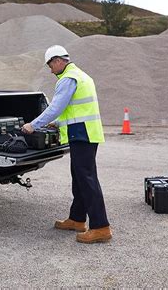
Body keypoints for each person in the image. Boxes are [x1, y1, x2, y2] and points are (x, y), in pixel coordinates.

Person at [21, 45, 112, 244]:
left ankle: (101, 227)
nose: (50, 70)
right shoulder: (81, 75)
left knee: (87, 179)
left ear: (57, 61)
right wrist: (58, 123)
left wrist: (33, 125)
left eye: (50, 65)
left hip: (82, 134)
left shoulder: (68, 79)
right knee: (79, 178)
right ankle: (77, 219)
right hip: (85, 132)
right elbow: (73, 110)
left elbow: (56, 107)